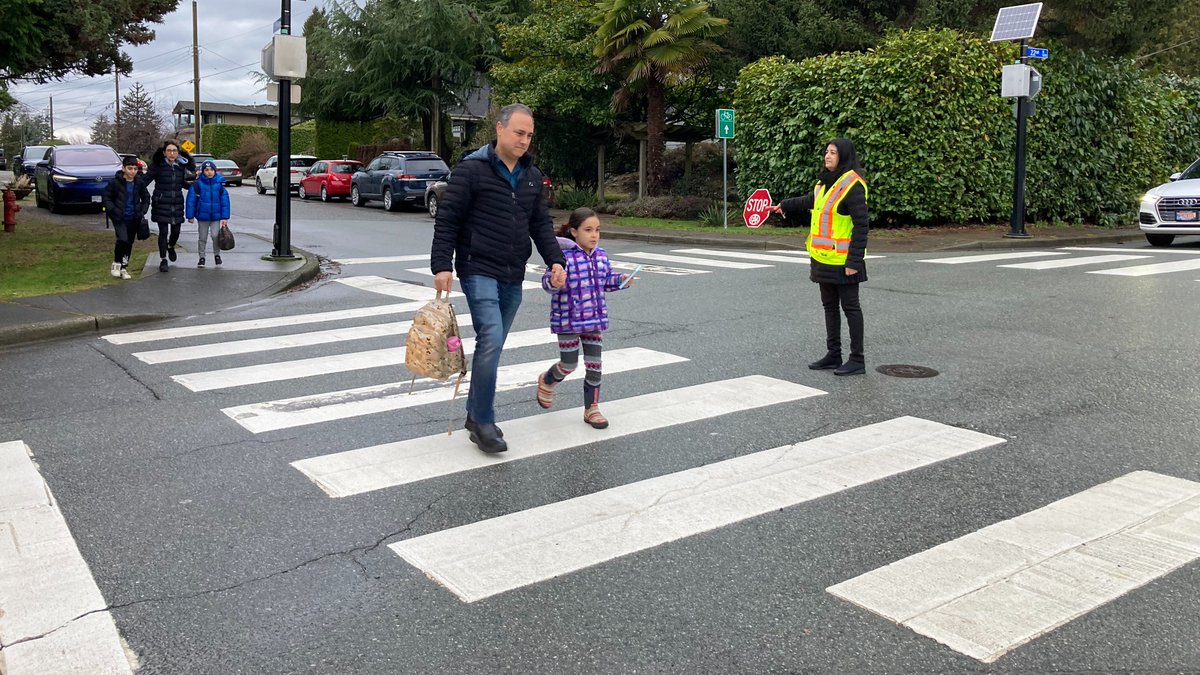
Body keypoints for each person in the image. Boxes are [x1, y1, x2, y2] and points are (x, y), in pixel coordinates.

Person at [431, 102, 567, 454]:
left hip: (512, 272)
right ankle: (483, 421)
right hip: (477, 267)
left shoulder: (531, 175)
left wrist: (556, 261)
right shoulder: (471, 170)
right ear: (500, 129)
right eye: (519, 133)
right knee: (490, 336)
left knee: (492, 344)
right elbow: (448, 219)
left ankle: (474, 414)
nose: (524, 141)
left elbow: (540, 223)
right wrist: (442, 265)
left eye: (529, 135)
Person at [767, 138, 870, 376]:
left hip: (844, 261)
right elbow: (810, 201)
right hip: (823, 258)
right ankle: (833, 355)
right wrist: (783, 205)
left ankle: (857, 359)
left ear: (844, 156)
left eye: (833, 152)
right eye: (826, 152)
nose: (827, 156)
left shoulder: (852, 185)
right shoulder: (824, 183)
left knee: (851, 308)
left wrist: (854, 262)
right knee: (829, 307)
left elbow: (862, 226)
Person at [535, 208, 634, 429]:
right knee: (569, 363)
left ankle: (592, 409)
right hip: (568, 321)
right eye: (588, 230)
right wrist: (554, 282)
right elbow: (547, 283)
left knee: (595, 366)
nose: (594, 235)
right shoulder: (561, 256)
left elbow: (605, 281)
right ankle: (547, 380)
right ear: (574, 231)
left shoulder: (601, 255)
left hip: (594, 320)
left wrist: (621, 281)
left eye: (597, 230)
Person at [145, 140, 194, 273]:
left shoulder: (180, 166)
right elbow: (145, 180)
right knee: (163, 232)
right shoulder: (158, 166)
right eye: (169, 151)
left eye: (174, 151)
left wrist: (195, 187)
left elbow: (181, 183)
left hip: (176, 204)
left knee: (176, 232)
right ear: (164, 152)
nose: (172, 153)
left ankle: (171, 246)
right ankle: (163, 259)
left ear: (178, 153)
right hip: (161, 203)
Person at [101, 155, 151, 280]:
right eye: (130, 168)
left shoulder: (139, 182)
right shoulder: (115, 182)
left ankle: (124, 267)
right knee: (122, 239)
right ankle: (116, 263)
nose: (132, 171)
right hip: (119, 217)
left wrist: (142, 210)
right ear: (123, 169)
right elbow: (106, 197)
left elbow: (146, 197)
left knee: (129, 243)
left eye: (135, 169)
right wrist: (112, 210)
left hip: (134, 217)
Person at [186, 160, 230, 268]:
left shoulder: (219, 185)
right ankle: (202, 257)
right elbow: (191, 201)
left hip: (216, 216)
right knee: (202, 237)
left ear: (215, 171)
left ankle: (217, 255)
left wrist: (224, 217)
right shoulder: (197, 185)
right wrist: (190, 216)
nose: (209, 172)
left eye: (211, 170)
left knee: (215, 236)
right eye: (206, 170)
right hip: (202, 216)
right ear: (202, 171)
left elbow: (225, 202)